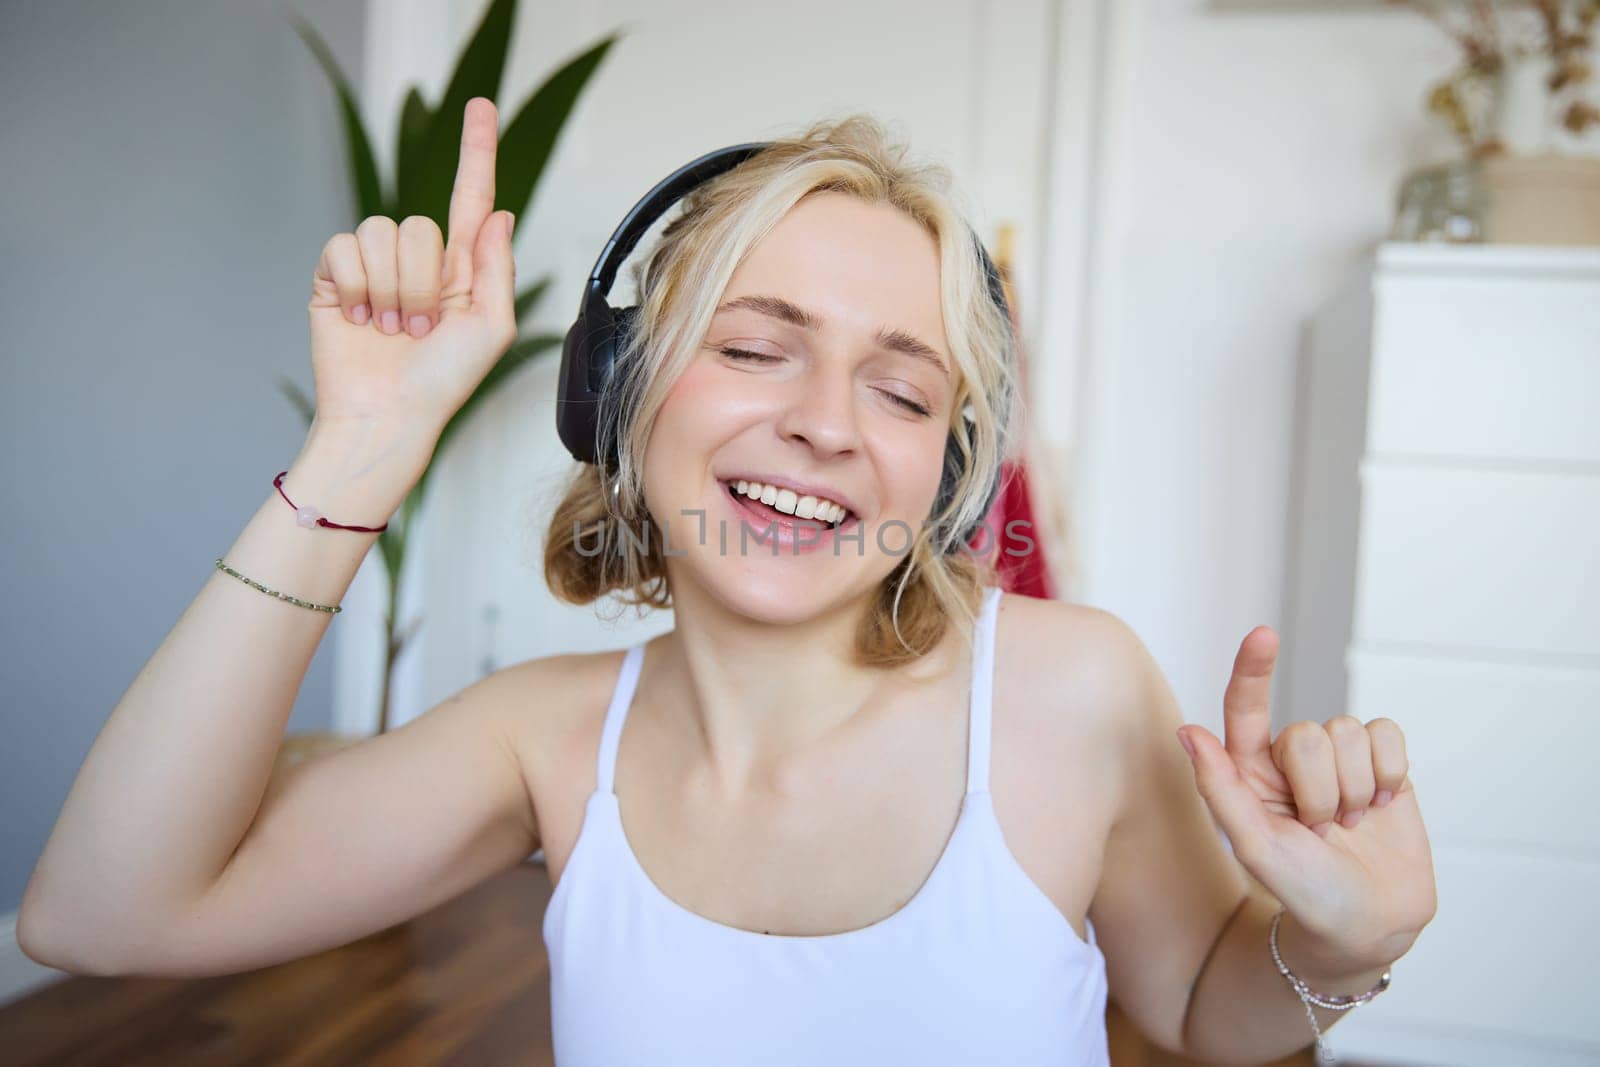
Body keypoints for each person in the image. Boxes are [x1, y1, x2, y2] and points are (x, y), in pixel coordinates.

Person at [18, 97, 1437, 1065]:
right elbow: (101, 914)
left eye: (899, 387)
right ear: (622, 397)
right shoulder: (542, 738)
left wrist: (1339, 948)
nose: (824, 420)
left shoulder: (1073, 690)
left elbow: (1201, 1006)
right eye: (755, 348)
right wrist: (364, 447)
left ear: (944, 472)